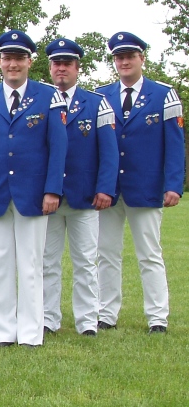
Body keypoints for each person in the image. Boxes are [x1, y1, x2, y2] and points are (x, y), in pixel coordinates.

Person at [0, 30, 67, 347]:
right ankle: (2, 332)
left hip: (34, 194)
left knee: (31, 265)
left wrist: (53, 190)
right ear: (0, 62)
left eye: (19, 58)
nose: (13, 64)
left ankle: (31, 334)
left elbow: (58, 148)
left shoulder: (49, 96)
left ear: (29, 62)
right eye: (8, 58)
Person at [95, 32, 184, 334]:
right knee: (106, 253)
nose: (124, 62)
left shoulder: (164, 94)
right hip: (109, 189)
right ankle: (106, 314)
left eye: (129, 56)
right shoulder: (101, 96)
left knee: (149, 254)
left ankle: (157, 318)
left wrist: (174, 184)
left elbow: (175, 144)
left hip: (146, 186)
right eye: (119, 57)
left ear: (141, 58)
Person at [41, 38, 118, 337]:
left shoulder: (97, 103)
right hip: (48, 197)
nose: (61, 68)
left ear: (77, 68)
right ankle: (48, 319)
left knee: (86, 262)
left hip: (85, 195)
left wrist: (105, 188)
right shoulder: (41, 100)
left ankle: (87, 321)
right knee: (47, 262)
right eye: (56, 64)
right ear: (50, 68)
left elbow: (109, 152)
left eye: (67, 64)